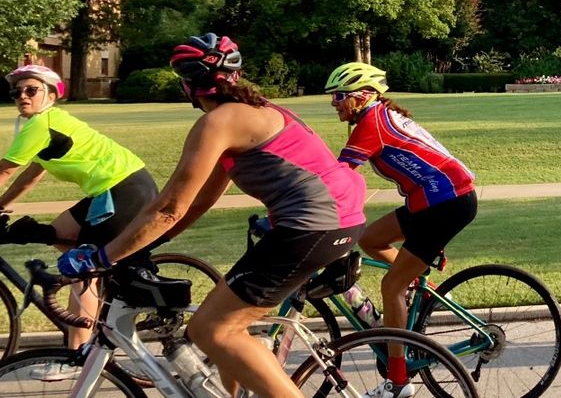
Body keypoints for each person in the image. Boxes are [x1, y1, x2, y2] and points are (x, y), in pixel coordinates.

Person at [59, 34, 366, 398]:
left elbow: (169, 207)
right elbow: (201, 199)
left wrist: (102, 256)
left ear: (188, 84)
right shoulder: (253, 111)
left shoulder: (218, 122)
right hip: (332, 222)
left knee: (213, 330)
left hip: (310, 227)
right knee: (219, 322)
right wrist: (153, 242)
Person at [325, 61, 477, 398]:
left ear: (363, 96)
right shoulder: (375, 117)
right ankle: (424, 287)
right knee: (370, 239)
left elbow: (339, 176)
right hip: (430, 202)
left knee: (390, 285)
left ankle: (398, 382)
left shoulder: (371, 124)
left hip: (445, 203)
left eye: (339, 96)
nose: (333, 103)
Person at [0, 64, 158, 377]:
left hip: (122, 190)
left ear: (51, 94)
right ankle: (97, 312)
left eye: (31, 90)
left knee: (81, 268)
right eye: (17, 92)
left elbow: (5, 170)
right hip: (111, 191)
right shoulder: (47, 124)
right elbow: (28, 178)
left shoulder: (42, 124)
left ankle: (77, 358)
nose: (22, 96)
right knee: (57, 233)